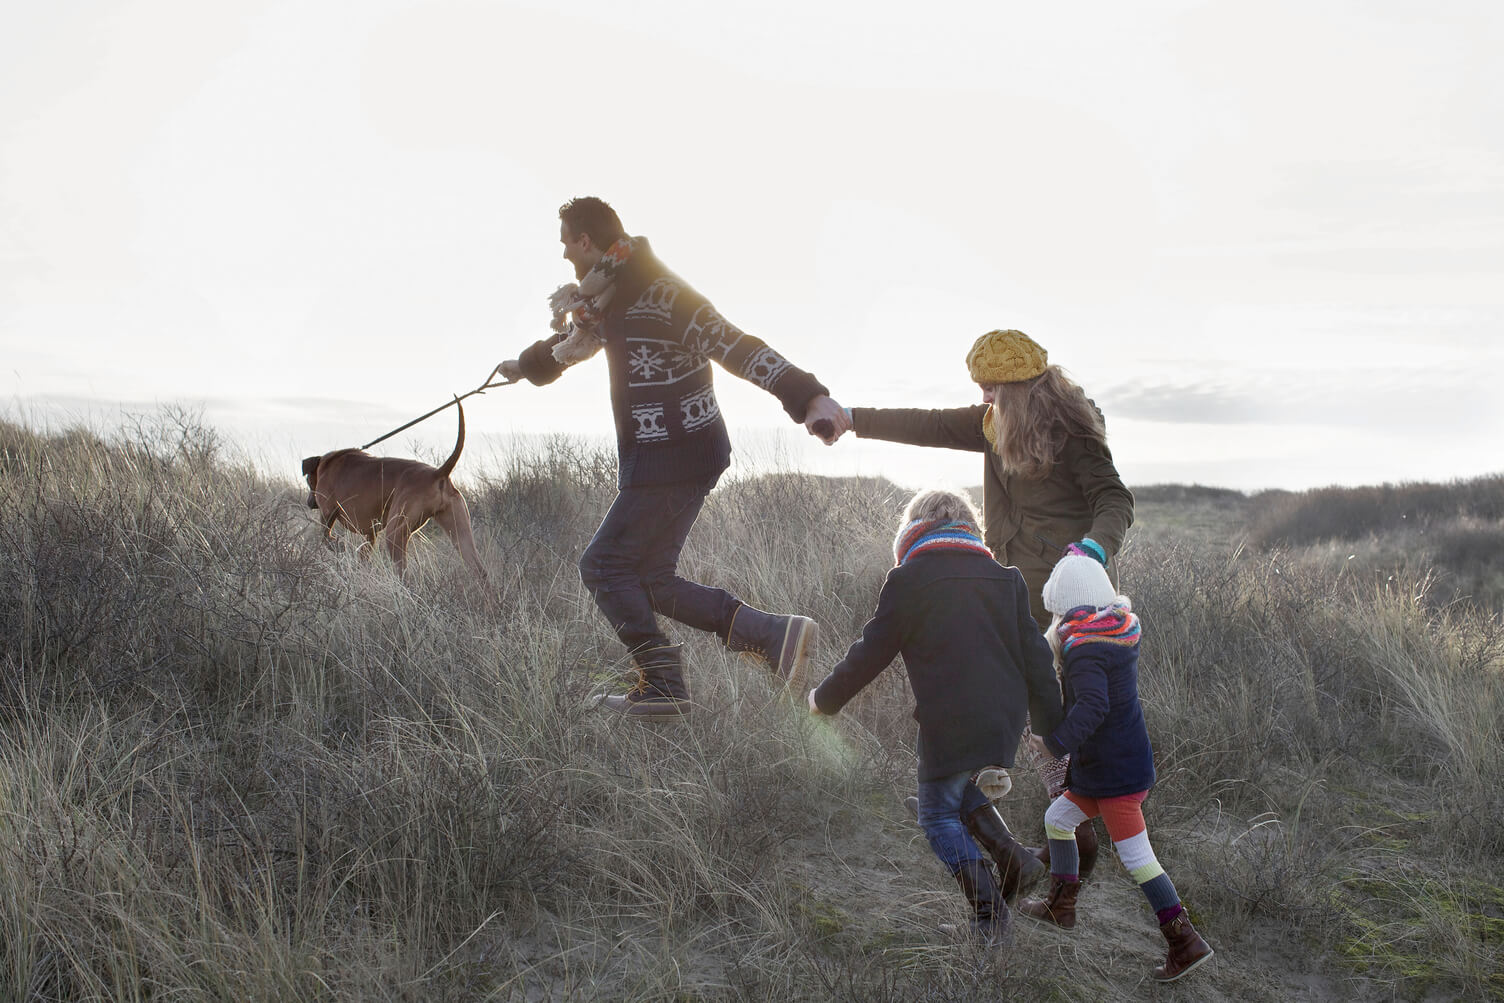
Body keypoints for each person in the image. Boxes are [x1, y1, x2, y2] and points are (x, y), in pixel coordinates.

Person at [496, 197, 849, 721]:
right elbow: (576, 341)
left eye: (567, 242)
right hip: (670, 454)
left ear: (585, 241)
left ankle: (662, 683)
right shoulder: (608, 294)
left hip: (673, 454)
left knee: (603, 565)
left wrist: (808, 397)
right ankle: (774, 636)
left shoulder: (662, 293)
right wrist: (525, 367)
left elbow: (736, 344)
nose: (565, 254)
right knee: (651, 580)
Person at [832, 328, 1133, 875]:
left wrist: (1093, 549)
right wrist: (854, 418)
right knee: (992, 700)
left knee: (1043, 717)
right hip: (1006, 586)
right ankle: (1006, 821)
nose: (984, 398)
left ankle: (1061, 832)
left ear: (1020, 388)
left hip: (1061, 592)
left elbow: (1114, 498)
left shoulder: (1071, 434)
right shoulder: (994, 424)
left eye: (992, 388)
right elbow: (927, 424)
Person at [807, 488, 1064, 943]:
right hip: (1003, 721)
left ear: (914, 529)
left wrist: (822, 701)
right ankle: (1015, 857)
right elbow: (1038, 657)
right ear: (969, 527)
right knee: (959, 788)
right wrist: (1049, 728)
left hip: (951, 719)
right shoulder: (1007, 578)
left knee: (936, 816)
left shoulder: (910, 578)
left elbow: (870, 654)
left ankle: (989, 920)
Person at [1018, 555, 1214, 983]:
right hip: (1115, 764)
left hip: (1114, 775)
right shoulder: (1115, 630)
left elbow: (1093, 706)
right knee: (1058, 818)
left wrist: (1053, 745)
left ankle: (1185, 942)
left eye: (1056, 610)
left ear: (1067, 606)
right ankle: (1061, 905)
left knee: (1139, 859)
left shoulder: (1085, 649)